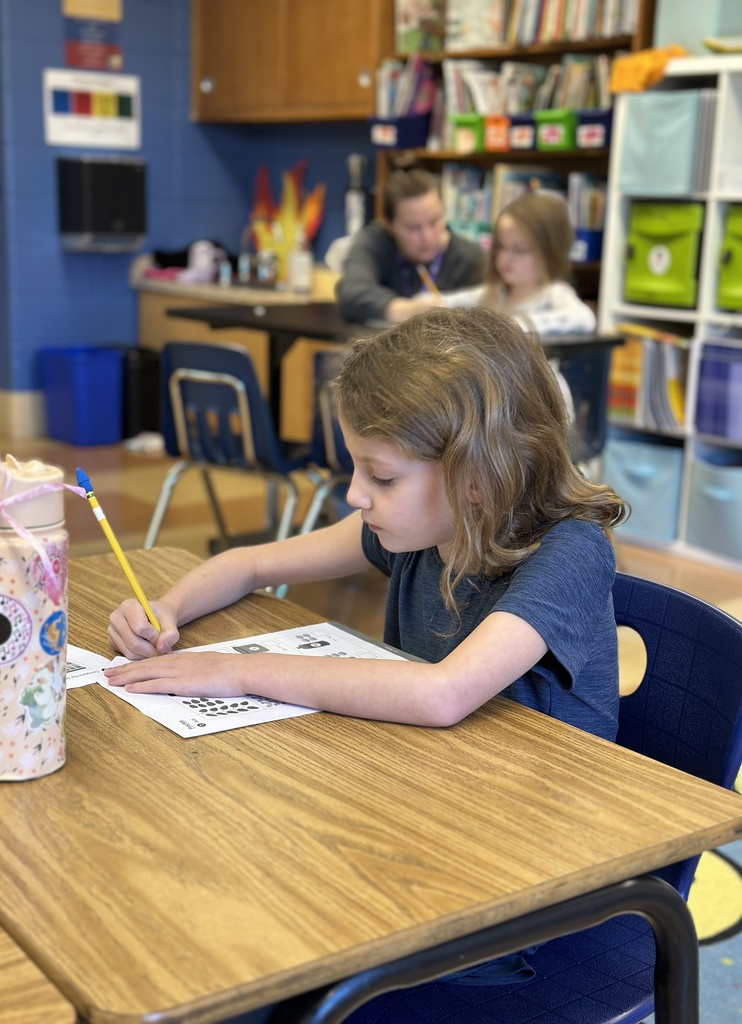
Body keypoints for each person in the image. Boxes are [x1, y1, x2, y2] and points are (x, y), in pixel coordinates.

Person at [106, 306, 628, 997]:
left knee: (259, 942)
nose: (356, 495)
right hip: (427, 819)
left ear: (477, 475)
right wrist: (165, 609)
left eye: (380, 478)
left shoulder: (571, 553)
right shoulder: (422, 525)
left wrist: (232, 670)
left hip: (523, 884)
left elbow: (442, 694)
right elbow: (251, 563)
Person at [334, 167, 487, 324]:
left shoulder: (472, 260)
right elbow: (352, 292)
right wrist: (410, 311)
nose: (427, 237)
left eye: (434, 221)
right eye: (413, 228)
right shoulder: (375, 241)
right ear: (389, 225)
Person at [441, 190, 597, 336]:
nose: (505, 258)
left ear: (548, 253)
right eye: (501, 247)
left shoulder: (553, 293)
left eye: (520, 250)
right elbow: (447, 301)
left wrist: (517, 323)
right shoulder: (496, 292)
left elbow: (585, 318)